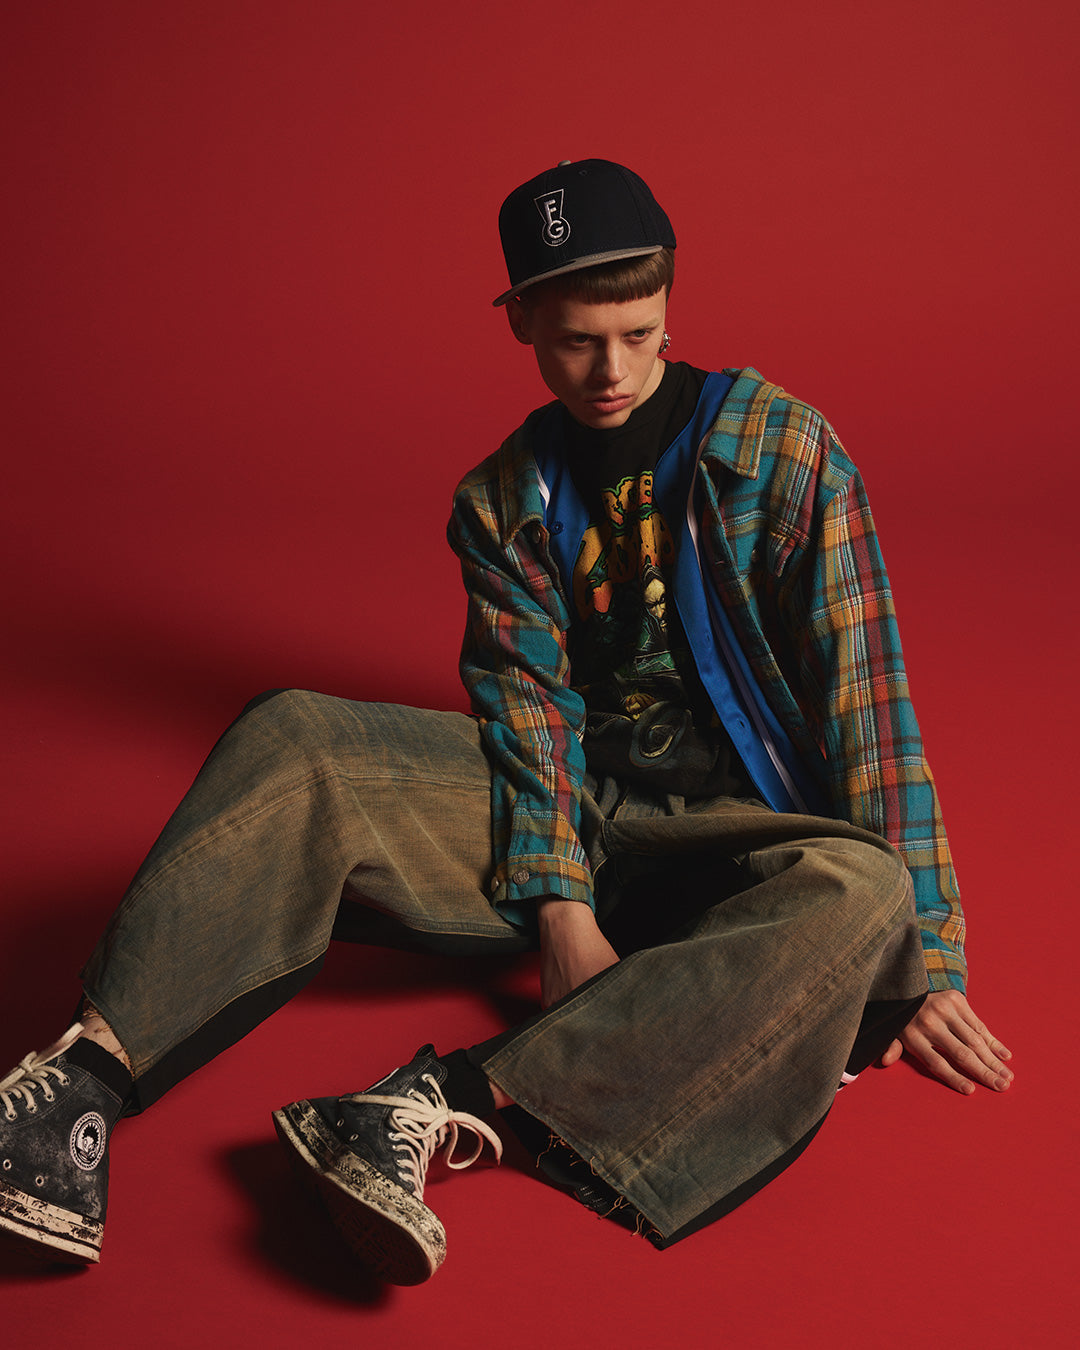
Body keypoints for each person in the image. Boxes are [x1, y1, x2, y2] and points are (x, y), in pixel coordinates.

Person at [0, 158, 1012, 1285]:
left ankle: (434, 1105)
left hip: (735, 841)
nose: (612, 370)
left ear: (671, 308)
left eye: (638, 334)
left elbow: (870, 704)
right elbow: (529, 715)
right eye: (578, 339)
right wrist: (562, 912)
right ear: (521, 318)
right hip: (569, 810)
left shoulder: (785, 454)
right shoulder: (501, 499)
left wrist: (925, 958)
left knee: (864, 894)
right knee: (298, 735)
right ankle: (73, 1092)